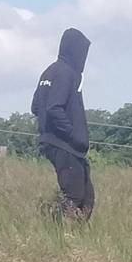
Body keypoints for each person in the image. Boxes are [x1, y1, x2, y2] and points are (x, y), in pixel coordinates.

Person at [33, 28, 94, 221]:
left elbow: (36, 107)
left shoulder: (49, 71)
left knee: (86, 196)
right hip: (65, 145)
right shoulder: (66, 73)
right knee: (74, 195)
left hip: (56, 143)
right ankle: (53, 230)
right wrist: (73, 134)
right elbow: (54, 108)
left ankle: (76, 239)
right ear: (75, 50)